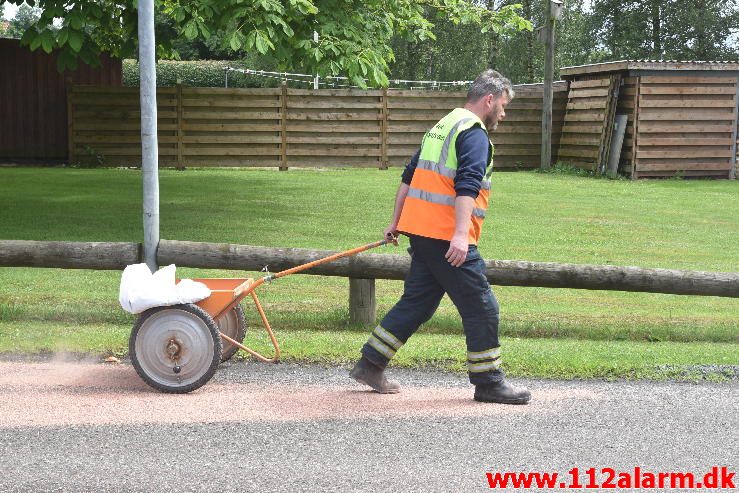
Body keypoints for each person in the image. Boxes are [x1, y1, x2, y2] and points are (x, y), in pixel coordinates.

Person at [350, 69, 531, 405]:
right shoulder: (474, 134)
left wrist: (396, 222)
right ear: (489, 99)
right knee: (482, 307)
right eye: (503, 106)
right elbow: (467, 186)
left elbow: (409, 177)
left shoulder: (442, 127)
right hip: (447, 238)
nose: (503, 115)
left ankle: (370, 363)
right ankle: (489, 382)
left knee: (417, 303)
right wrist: (461, 237)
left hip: (421, 233)